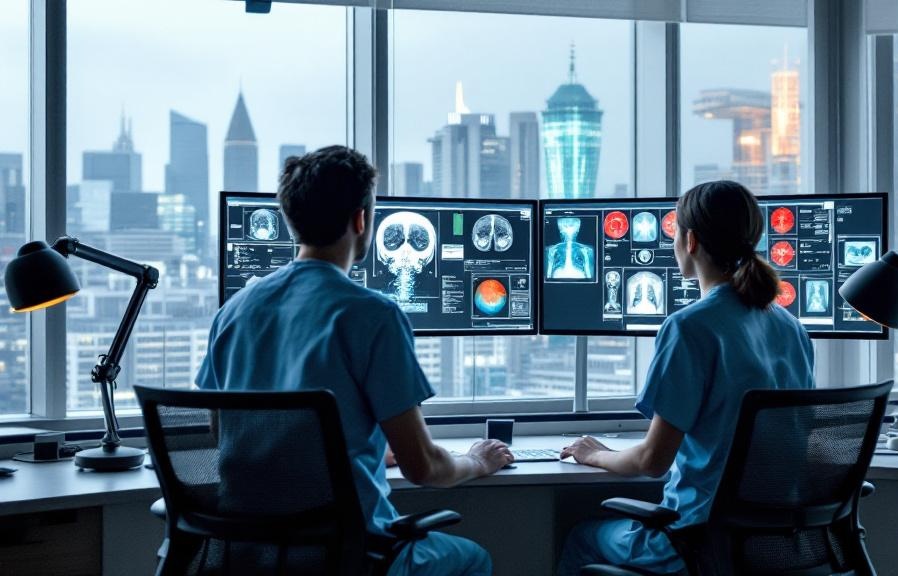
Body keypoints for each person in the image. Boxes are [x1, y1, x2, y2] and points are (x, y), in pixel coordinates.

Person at [196, 145, 511, 576]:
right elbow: (423, 466)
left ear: (292, 218)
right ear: (361, 219)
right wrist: (479, 460)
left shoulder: (233, 312)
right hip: (350, 555)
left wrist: (337, 457)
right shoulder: (372, 315)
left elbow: (227, 433)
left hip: (249, 555)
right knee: (475, 558)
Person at [557, 180, 815, 575]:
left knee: (581, 536)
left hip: (696, 541)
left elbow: (652, 460)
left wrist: (593, 454)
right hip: (776, 544)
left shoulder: (690, 327)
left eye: (675, 230)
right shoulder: (791, 326)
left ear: (690, 240)